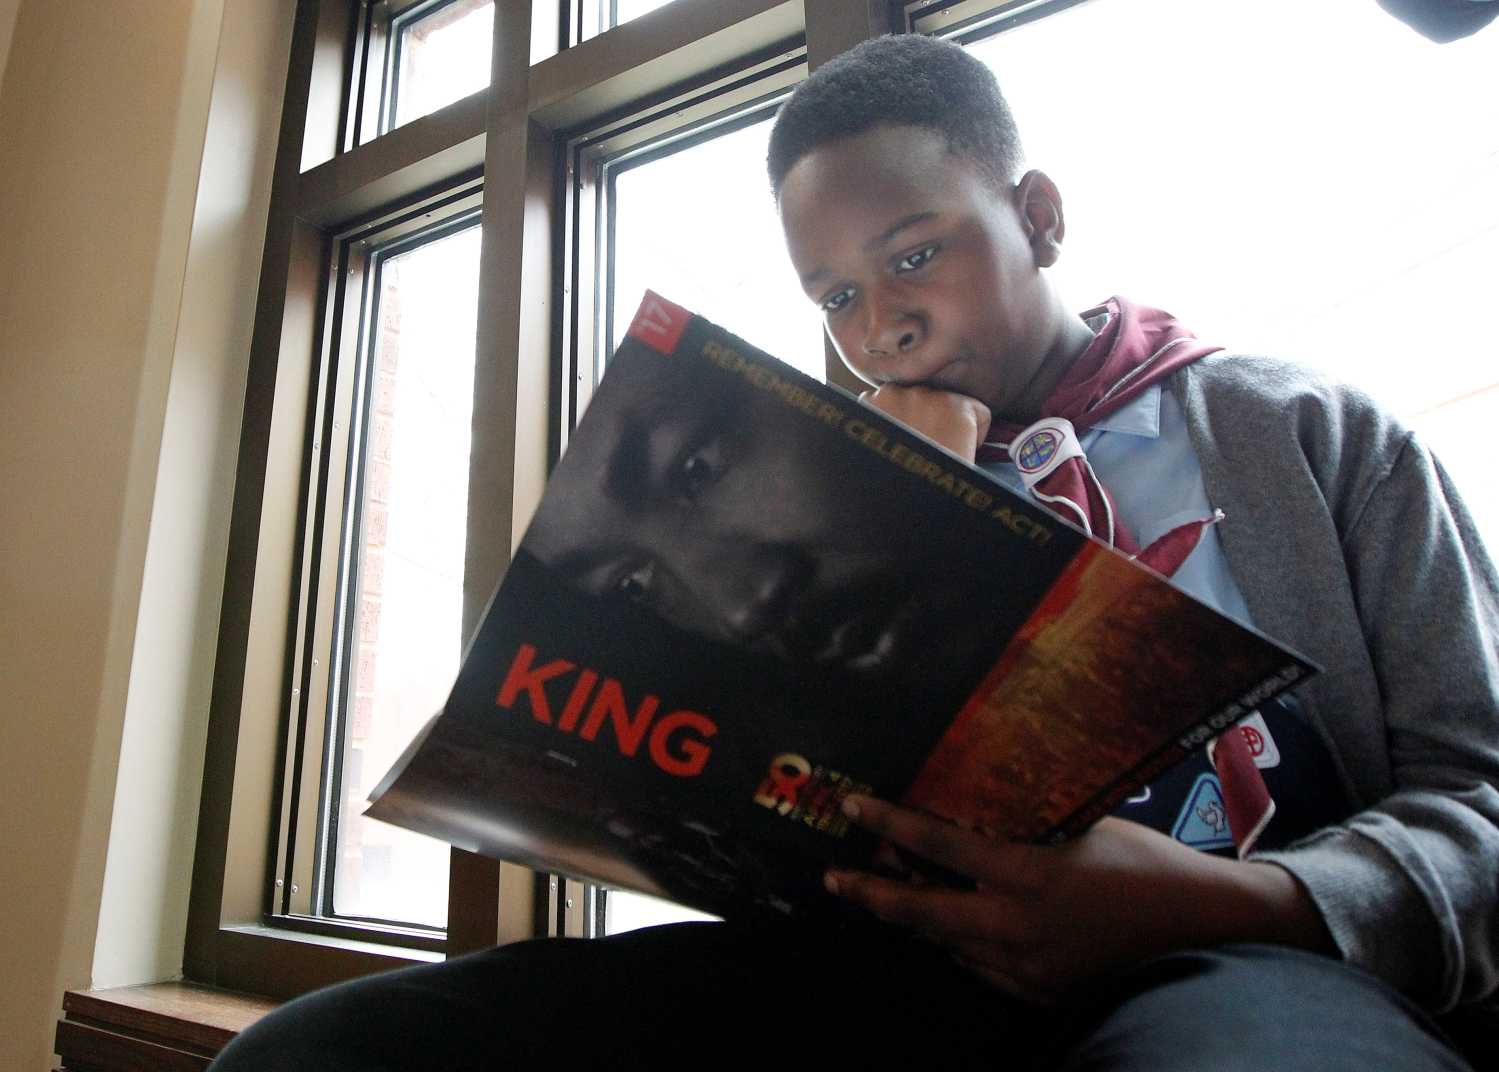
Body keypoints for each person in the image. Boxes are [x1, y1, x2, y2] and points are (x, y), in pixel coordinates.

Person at [212, 33, 1497, 1070]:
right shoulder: (826, 483)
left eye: (914, 256)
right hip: (893, 975)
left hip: (1252, 965)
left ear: (1038, 216)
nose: (881, 327)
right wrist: (894, 502)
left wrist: (1241, 906)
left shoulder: (1304, 435)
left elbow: (1479, 805)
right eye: (833, 297)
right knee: (323, 1054)